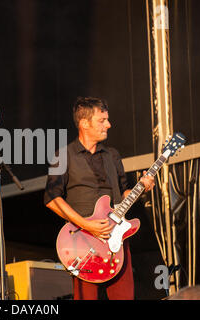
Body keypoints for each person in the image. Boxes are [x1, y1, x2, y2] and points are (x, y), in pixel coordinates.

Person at [44, 97, 155, 300]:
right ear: (85, 123)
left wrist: (142, 187)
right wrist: (87, 224)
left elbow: (123, 194)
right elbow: (52, 199)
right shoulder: (63, 155)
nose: (109, 125)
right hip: (83, 242)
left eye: (107, 119)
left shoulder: (112, 155)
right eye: (102, 120)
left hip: (117, 240)